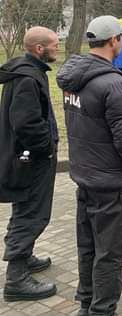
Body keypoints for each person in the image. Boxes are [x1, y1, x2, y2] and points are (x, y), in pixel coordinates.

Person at [56, 15, 122, 315]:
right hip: (111, 187)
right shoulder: (113, 85)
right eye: (121, 38)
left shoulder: (74, 79)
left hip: (87, 180)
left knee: (89, 249)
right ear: (114, 41)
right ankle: (101, 310)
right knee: (111, 256)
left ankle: (87, 305)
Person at [0, 27, 60, 302]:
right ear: (39, 49)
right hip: (32, 160)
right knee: (32, 214)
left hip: (25, 158)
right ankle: (16, 280)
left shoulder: (28, 71)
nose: (57, 49)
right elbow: (25, 122)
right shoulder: (27, 77)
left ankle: (24, 257)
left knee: (25, 208)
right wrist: (46, 147)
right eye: (54, 45)